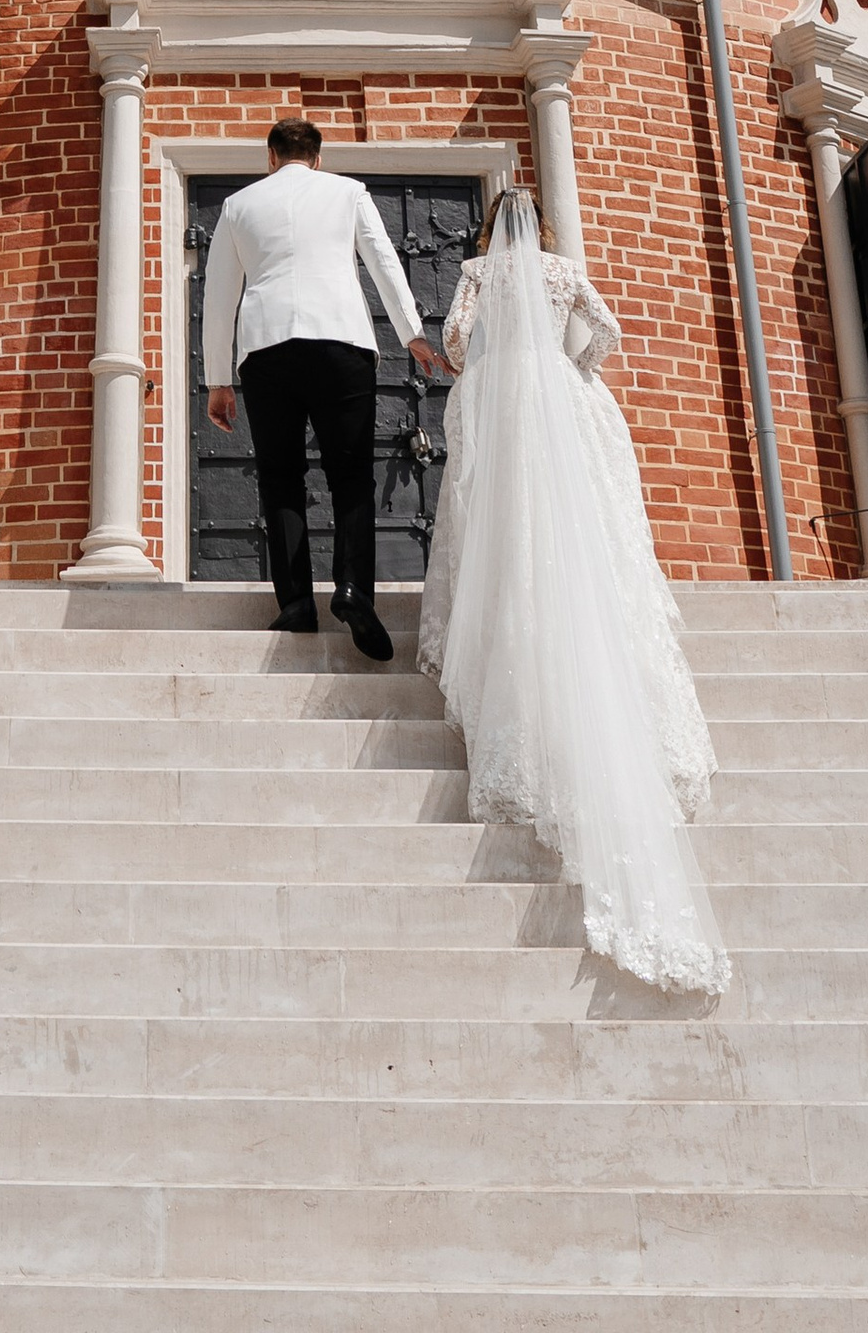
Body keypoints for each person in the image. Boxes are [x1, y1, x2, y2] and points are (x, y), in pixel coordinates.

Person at [418, 187, 727, 1000]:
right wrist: (572, 369)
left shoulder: (480, 271)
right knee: (581, 533)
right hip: (560, 397)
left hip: (502, 403)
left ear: (487, 228)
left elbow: (453, 344)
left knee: (510, 531)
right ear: (544, 228)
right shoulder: (562, 271)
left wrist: (485, 363)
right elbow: (611, 334)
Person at [201, 117, 447, 659]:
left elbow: (218, 294)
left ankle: (295, 604)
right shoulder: (348, 192)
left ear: (271, 157)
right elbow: (384, 261)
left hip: (267, 348)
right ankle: (354, 588)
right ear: (317, 156)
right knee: (351, 473)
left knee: (281, 476)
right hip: (341, 341)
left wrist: (217, 378)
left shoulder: (238, 205)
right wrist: (412, 333)